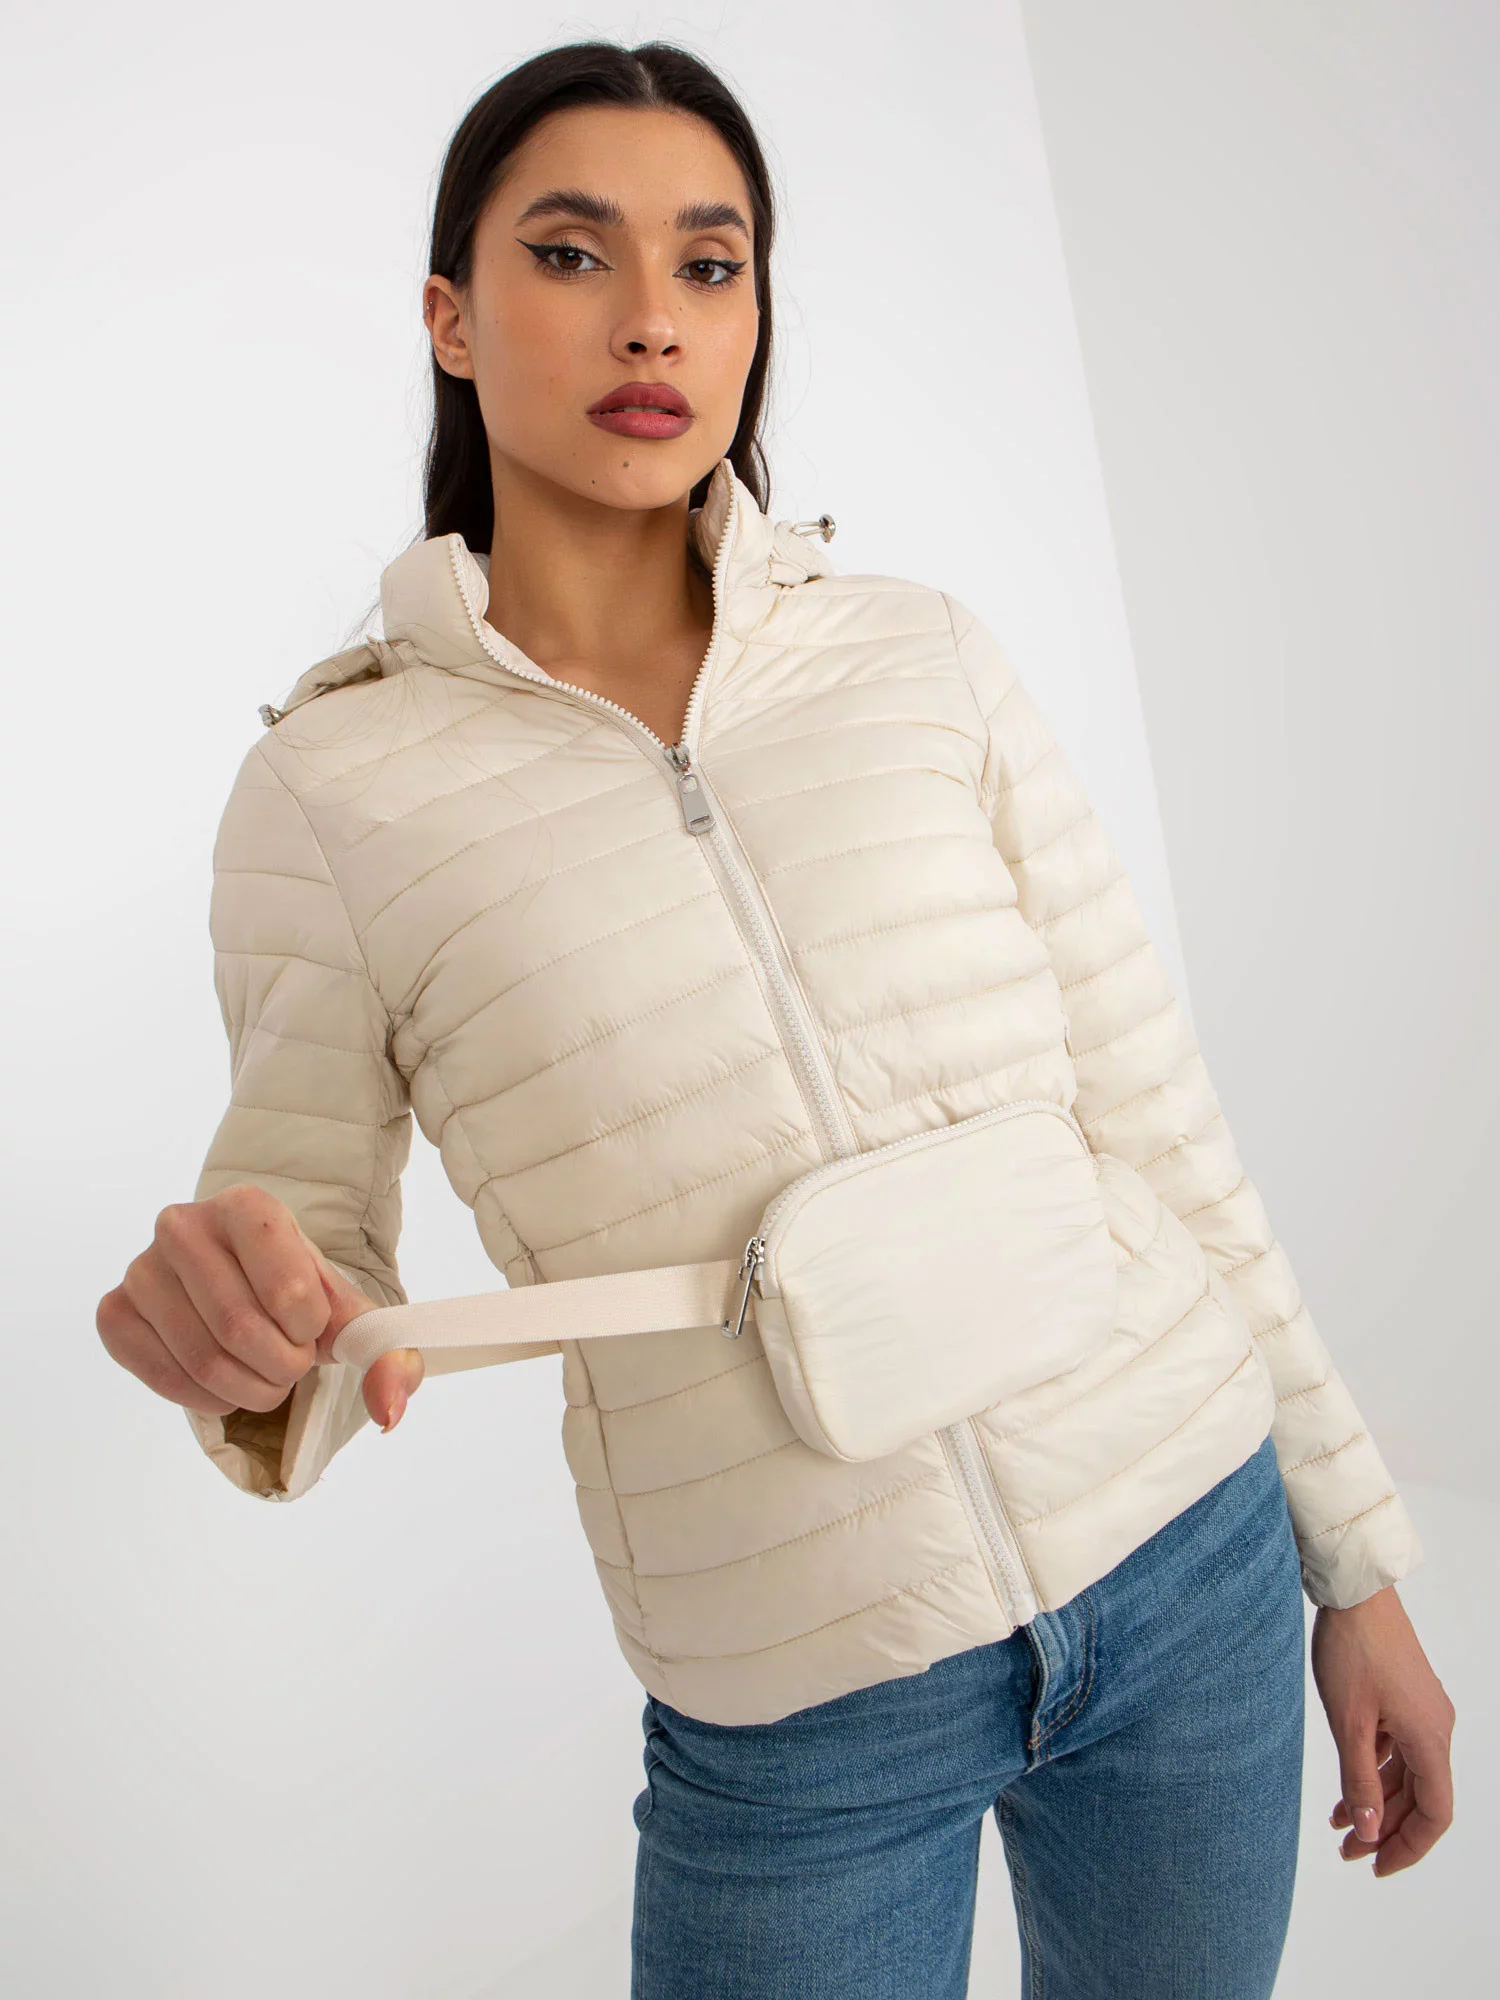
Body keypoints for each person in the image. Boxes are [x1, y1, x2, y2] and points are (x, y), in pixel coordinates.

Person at [94, 39, 1455, 2000]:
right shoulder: (331, 792)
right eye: (574, 253)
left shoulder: (919, 660)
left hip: (1190, 1554)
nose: (652, 315)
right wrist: (240, 1327)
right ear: (451, 318)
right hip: (801, 1716)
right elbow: (304, 1266)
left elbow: (1156, 1119)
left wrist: (1356, 1562)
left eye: (711, 263)